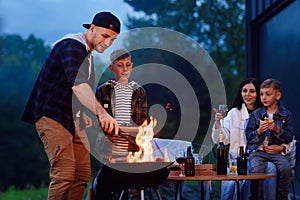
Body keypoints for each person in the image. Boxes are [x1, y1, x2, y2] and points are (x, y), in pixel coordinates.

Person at [21, 12, 121, 200]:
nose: (108, 43)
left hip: (73, 119)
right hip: (52, 116)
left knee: (81, 175)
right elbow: (78, 83)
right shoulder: (71, 46)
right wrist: (102, 114)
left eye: (113, 40)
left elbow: (73, 91)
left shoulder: (87, 55)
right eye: (105, 36)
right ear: (92, 29)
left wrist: (83, 113)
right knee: (65, 174)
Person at [93, 48, 148, 199]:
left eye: (128, 65)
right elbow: (99, 123)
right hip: (108, 148)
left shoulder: (139, 92)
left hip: (132, 148)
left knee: (133, 188)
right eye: (120, 65)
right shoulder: (103, 91)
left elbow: (143, 123)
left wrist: (132, 131)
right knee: (108, 188)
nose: (124, 69)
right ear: (112, 67)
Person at [245, 78, 294, 200]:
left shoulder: (286, 115)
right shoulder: (255, 115)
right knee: (256, 169)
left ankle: (281, 197)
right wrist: (259, 131)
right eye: (261, 94)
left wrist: (277, 129)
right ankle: (255, 197)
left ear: (277, 96)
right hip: (257, 152)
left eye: (268, 94)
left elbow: (289, 137)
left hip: (275, 153)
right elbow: (248, 136)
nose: (264, 98)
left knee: (286, 168)